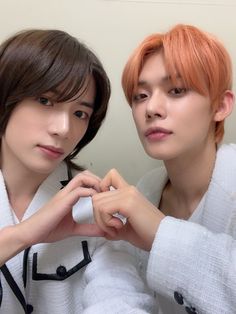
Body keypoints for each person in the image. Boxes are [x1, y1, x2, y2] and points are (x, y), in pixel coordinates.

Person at [0, 29, 157, 313]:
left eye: (79, 114)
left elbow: (120, 297)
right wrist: (22, 235)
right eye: (45, 101)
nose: (63, 129)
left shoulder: (95, 206)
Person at [92, 24, 236, 314]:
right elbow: (113, 283)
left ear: (221, 105)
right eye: (140, 95)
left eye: (177, 90)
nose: (151, 108)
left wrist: (159, 231)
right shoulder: (146, 190)